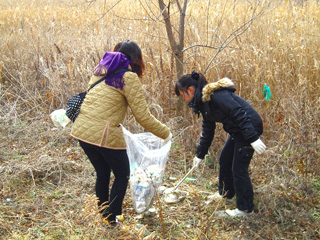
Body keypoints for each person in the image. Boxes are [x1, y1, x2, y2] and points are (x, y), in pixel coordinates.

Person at [71, 40, 172, 226]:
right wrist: (165, 132)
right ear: (136, 59)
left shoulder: (100, 71)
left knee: (102, 172)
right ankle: (112, 218)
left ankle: (104, 216)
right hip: (102, 134)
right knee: (122, 174)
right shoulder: (128, 77)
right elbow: (143, 116)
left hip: (81, 131)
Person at [175, 71, 266, 217]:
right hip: (239, 131)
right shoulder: (204, 102)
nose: (184, 100)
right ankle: (226, 194)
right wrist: (200, 154)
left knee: (239, 168)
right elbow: (208, 131)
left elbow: (238, 113)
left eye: (183, 95)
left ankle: (245, 209)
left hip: (249, 127)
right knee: (224, 159)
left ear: (190, 90)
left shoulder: (217, 95)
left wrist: (253, 138)